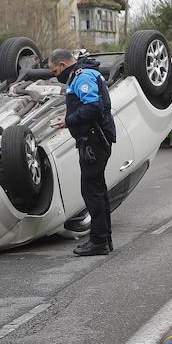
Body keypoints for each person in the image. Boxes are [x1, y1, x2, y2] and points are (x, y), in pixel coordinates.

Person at [50, 49, 117, 255]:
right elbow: (88, 106)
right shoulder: (83, 73)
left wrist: (68, 120)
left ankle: (98, 243)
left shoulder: (82, 75)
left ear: (62, 65)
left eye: (54, 71)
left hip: (93, 140)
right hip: (93, 139)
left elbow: (94, 108)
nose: (55, 75)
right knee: (97, 190)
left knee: (92, 192)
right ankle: (104, 240)